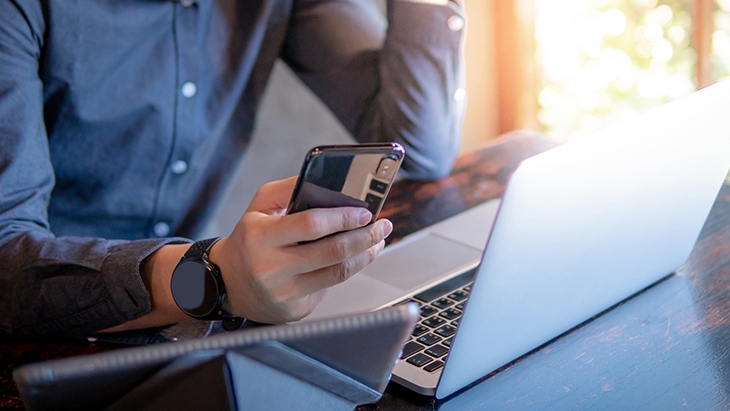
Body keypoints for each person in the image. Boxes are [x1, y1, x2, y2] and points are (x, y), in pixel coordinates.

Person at [0, 0, 465, 342]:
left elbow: (418, 147)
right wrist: (215, 277)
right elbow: (6, 258)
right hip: (34, 337)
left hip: (185, 326)